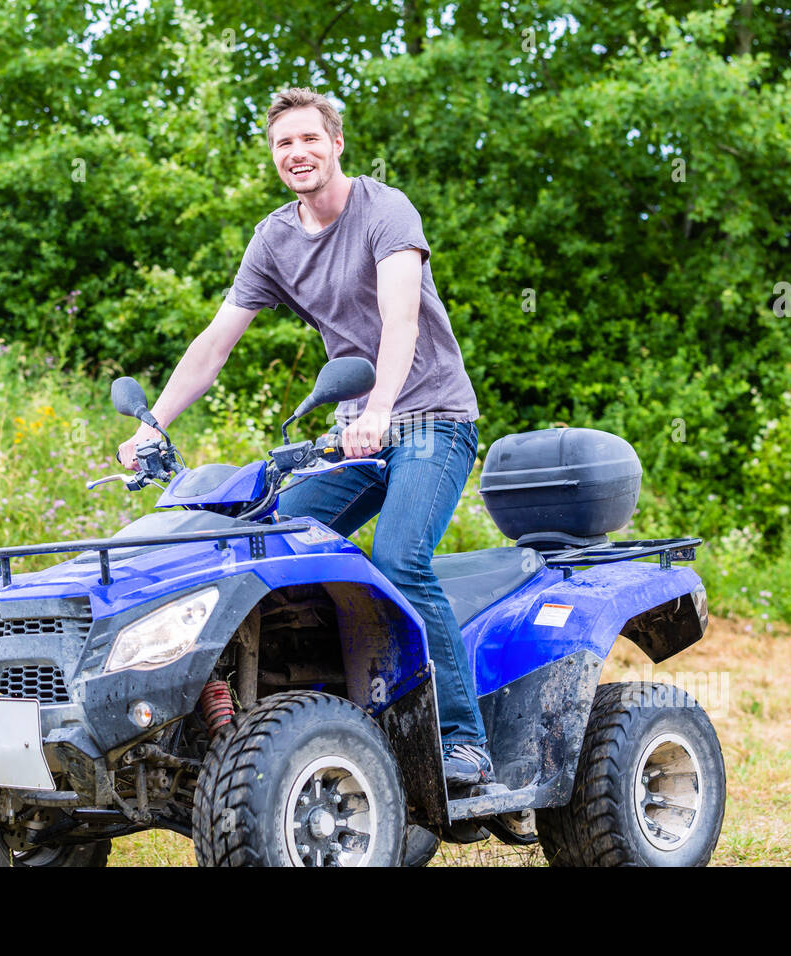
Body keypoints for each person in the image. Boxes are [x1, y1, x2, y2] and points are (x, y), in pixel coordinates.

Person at [117, 87, 493, 787]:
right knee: (259, 547)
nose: (297, 153)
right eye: (284, 143)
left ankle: (461, 738)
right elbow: (215, 343)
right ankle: (309, 719)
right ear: (273, 155)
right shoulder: (275, 238)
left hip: (430, 420)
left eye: (309, 140)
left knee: (401, 558)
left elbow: (401, 321)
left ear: (337, 143)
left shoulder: (385, 211)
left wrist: (379, 407)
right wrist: (154, 422)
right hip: (355, 434)